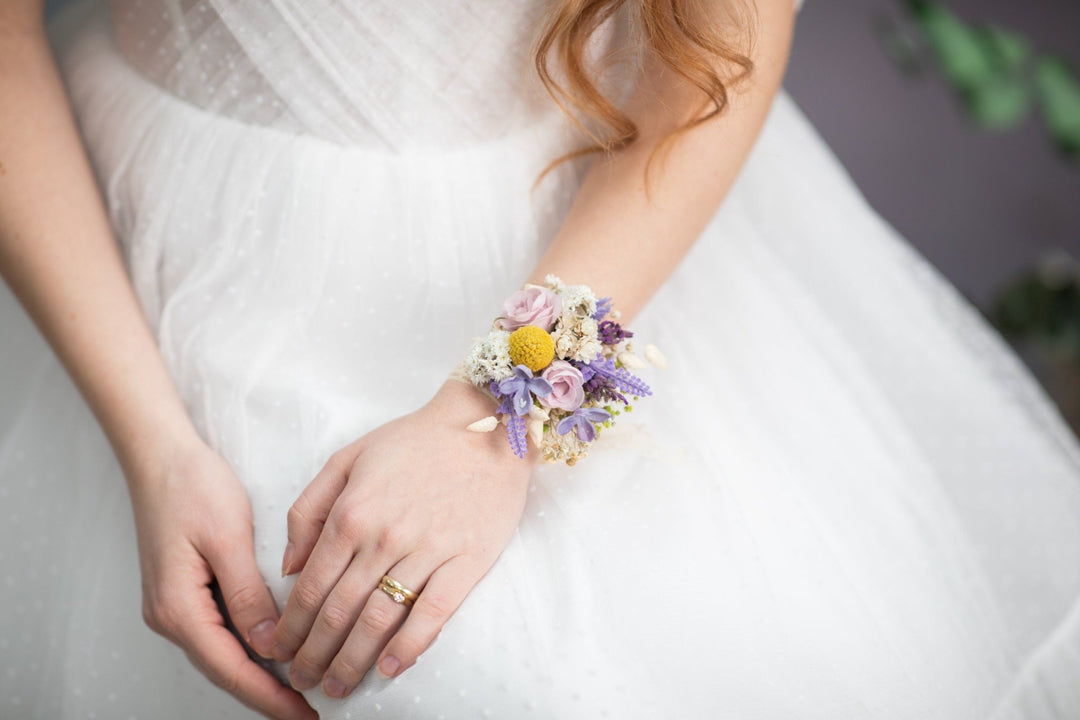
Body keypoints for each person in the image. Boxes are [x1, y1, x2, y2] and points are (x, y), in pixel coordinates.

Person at [3, 0, 1080, 718]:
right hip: (148, 271)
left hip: (602, 235)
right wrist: (151, 443)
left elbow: (733, 46)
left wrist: (498, 420)